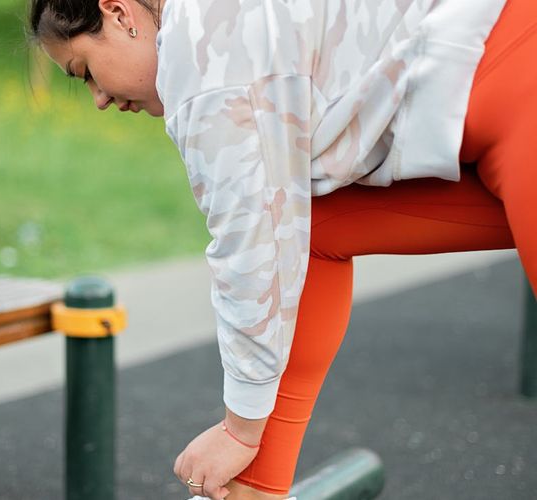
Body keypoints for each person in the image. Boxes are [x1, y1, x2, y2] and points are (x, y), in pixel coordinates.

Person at [27, 0, 536, 498]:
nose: (97, 97)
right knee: (319, 230)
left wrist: (239, 430)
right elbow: (286, 227)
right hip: (498, 106)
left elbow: (250, 252)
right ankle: (260, 489)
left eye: (85, 70)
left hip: (519, 89)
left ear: (118, 14)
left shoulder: (200, 57)